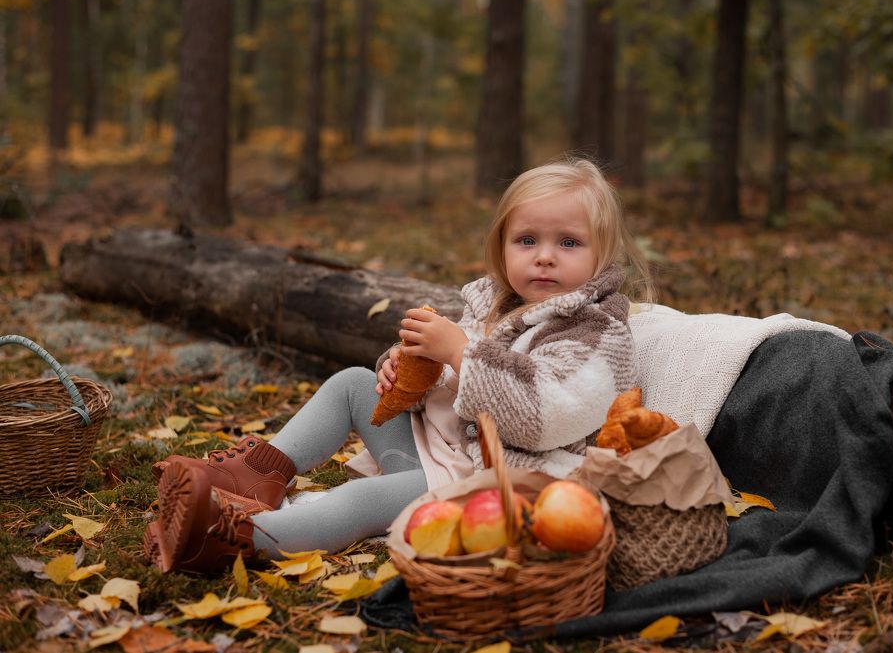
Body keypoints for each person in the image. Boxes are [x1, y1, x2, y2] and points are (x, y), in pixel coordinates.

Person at [143, 157, 654, 574]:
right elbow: (448, 380)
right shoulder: (496, 304)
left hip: (488, 482)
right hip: (435, 451)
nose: (544, 257)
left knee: (361, 501)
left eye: (568, 242)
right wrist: (406, 372)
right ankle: (257, 476)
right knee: (352, 383)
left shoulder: (596, 333)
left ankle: (235, 537)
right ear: (502, 247)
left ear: (603, 254)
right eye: (527, 241)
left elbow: (548, 415)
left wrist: (459, 352)